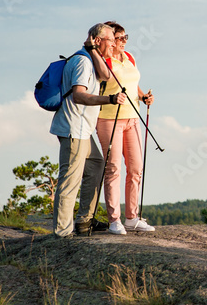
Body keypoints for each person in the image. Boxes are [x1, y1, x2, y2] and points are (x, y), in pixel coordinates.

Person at [51, 23, 126, 237]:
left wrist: (94, 50)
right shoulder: (83, 62)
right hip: (73, 128)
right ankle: (62, 233)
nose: (114, 44)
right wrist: (109, 99)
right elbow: (78, 95)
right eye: (111, 40)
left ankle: (84, 222)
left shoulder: (90, 58)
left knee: (96, 164)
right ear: (98, 40)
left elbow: (105, 76)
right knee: (70, 179)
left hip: (83, 130)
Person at [96, 21, 156, 234]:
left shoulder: (129, 57)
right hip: (109, 119)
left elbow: (132, 84)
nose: (123, 42)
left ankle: (132, 217)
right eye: (118, 38)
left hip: (132, 118)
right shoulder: (103, 60)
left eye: (125, 37)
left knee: (136, 168)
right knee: (113, 169)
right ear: (110, 41)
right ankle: (114, 220)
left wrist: (143, 96)